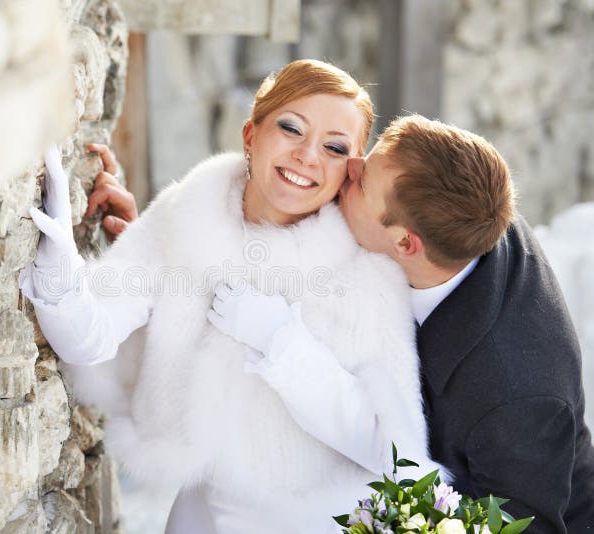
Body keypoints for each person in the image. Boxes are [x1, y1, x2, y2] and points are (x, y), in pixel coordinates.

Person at [100, 114, 594, 531]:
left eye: (360, 180)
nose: (348, 167)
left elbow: (517, 524)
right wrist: (156, 240)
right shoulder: (456, 204)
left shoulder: (518, 393)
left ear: (404, 244)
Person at [19, 60, 444, 534]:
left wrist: (284, 344)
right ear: (250, 135)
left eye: (334, 147)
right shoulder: (184, 218)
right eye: (291, 128)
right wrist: (58, 270)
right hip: (202, 519)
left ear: (349, 170)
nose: (307, 156)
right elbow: (90, 339)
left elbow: (395, 453)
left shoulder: (367, 273)